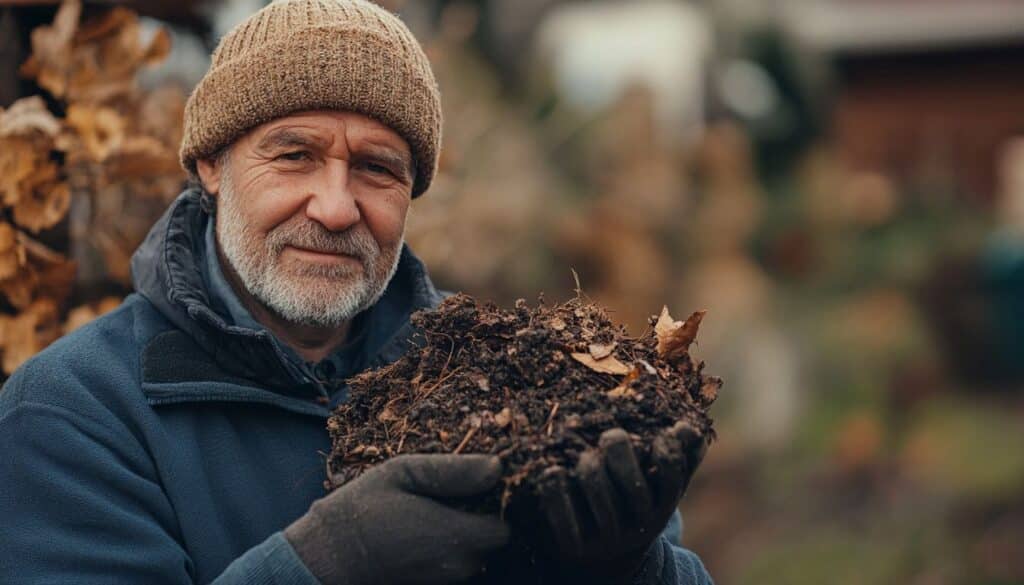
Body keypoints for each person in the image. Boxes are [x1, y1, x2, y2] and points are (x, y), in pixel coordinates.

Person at [0, 1, 714, 583]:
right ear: (212, 165)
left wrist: (633, 568)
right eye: (294, 155)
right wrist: (323, 562)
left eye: (376, 168)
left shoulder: (518, 379)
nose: (336, 207)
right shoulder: (72, 414)